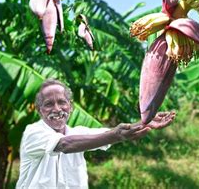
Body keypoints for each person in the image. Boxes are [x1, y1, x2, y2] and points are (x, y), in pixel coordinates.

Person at [16, 79, 175, 188]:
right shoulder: (34, 133)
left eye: (62, 102)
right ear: (39, 110)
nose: (57, 109)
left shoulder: (77, 132)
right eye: (49, 104)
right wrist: (116, 135)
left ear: (71, 107)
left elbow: (108, 133)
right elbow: (65, 144)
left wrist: (145, 122)